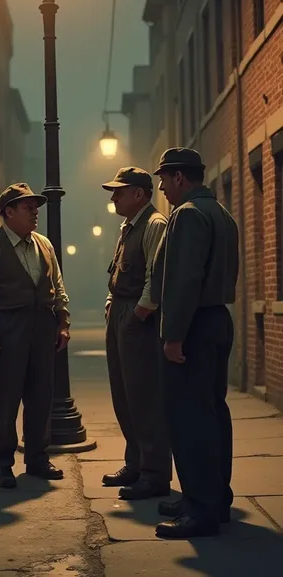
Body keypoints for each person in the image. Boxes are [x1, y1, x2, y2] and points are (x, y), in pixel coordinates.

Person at [151, 148, 239, 539]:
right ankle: (213, 499)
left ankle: (200, 509)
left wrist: (173, 335)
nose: (162, 188)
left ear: (179, 178)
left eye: (164, 180)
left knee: (190, 419)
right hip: (217, 317)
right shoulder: (222, 214)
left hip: (194, 324)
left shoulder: (187, 214)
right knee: (213, 412)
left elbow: (184, 279)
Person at [0, 183, 70, 488]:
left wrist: (62, 322)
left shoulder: (43, 245)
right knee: (4, 398)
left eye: (36, 207)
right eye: (28, 207)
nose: (35, 212)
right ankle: (2, 463)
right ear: (8, 212)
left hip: (42, 327)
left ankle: (37, 457)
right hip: (7, 328)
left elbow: (57, 286)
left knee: (41, 396)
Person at [101, 167, 171, 499]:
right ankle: (136, 462)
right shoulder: (128, 226)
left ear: (140, 194)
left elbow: (155, 277)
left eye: (119, 191)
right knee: (124, 393)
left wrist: (139, 314)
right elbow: (119, 270)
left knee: (144, 397)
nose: (114, 197)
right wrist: (112, 301)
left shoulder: (154, 224)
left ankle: (154, 473)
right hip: (122, 313)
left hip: (137, 319)